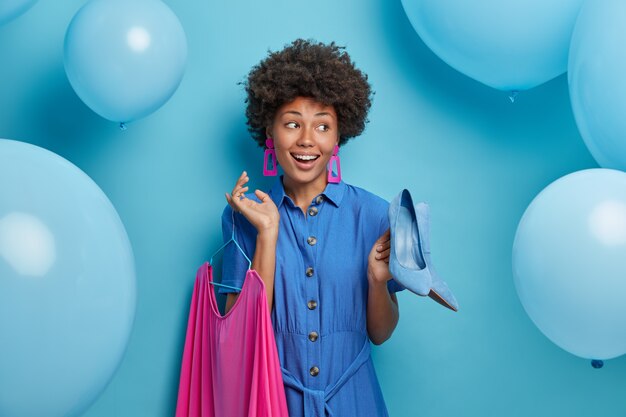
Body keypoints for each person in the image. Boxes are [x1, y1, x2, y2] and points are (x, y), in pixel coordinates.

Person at [220, 39, 403, 417]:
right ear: (270, 132)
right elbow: (239, 339)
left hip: (356, 401)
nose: (306, 140)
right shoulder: (244, 217)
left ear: (338, 137)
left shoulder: (374, 215)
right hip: (273, 400)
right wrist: (267, 235)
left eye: (322, 125)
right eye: (292, 124)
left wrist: (376, 280)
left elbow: (381, 335)